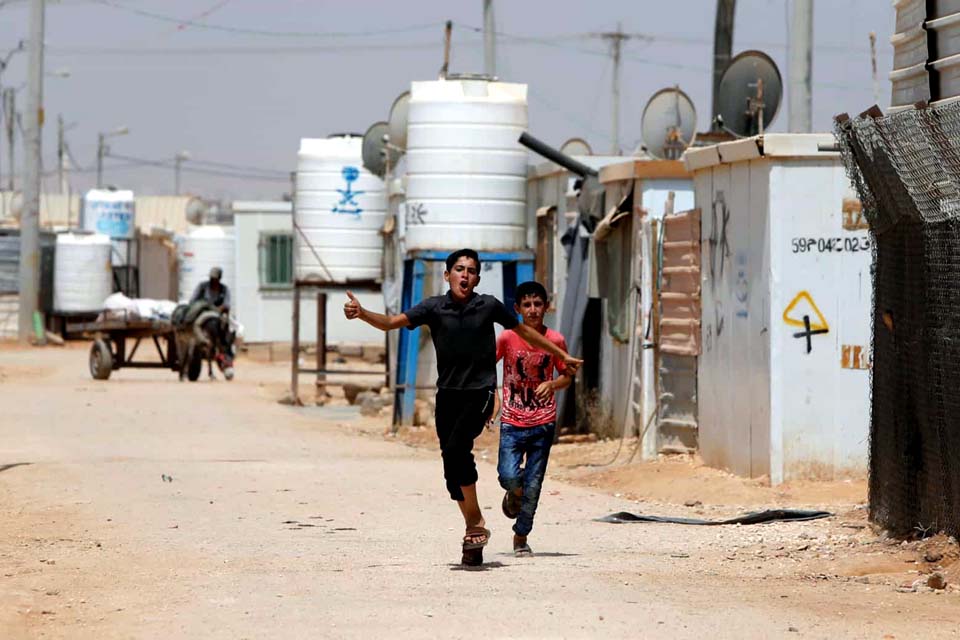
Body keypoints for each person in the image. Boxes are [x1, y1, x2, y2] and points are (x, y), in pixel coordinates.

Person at [343, 248, 582, 566]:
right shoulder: (433, 307)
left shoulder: (488, 306)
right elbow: (390, 323)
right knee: (450, 467)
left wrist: (560, 355)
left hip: (480, 393)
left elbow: (525, 331)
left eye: (471, 270)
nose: (465, 275)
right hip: (448, 396)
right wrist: (362, 313)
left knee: (458, 448)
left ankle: (475, 522)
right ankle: (474, 528)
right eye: (459, 269)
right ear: (447, 275)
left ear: (477, 278)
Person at [491, 281, 571, 557]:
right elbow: (487, 365)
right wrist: (492, 397)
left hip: (543, 421)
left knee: (534, 485)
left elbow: (567, 375)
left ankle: (521, 536)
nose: (533, 310)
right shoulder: (507, 338)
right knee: (508, 475)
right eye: (527, 305)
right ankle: (514, 493)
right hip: (512, 420)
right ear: (517, 308)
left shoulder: (556, 340)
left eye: (538, 304)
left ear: (546, 307)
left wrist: (553, 384)